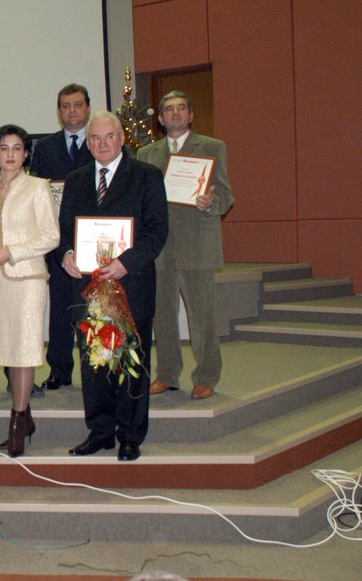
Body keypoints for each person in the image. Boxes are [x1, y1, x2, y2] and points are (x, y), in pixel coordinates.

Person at [60, 111, 168, 462]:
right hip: (87, 287)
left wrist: (127, 262)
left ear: (122, 139)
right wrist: (66, 254)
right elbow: (64, 230)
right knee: (93, 363)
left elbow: (157, 231)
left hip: (131, 284)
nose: (102, 143)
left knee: (131, 363)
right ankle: (100, 432)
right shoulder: (75, 180)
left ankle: (130, 435)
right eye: (95, 138)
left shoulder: (147, 176)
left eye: (109, 137)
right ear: (88, 143)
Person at [0, 125, 60, 458]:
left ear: (26, 153)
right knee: (6, 349)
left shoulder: (38, 187)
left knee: (24, 350)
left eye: (17, 148)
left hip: (28, 280)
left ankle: (17, 425)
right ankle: (26, 418)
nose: (10, 154)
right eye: (4, 148)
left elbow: (51, 236)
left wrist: (13, 252)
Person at [138, 90, 234, 400]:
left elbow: (226, 195)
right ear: (161, 118)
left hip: (197, 244)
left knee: (202, 316)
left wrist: (211, 203)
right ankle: (167, 374)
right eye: (169, 109)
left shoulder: (212, 147)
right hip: (160, 247)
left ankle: (206, 376)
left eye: (182, 108)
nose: (176, 113)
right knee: (163, 315)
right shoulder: (146, 154)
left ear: (191, 115)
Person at [29, 83, 96, 393]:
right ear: (59, 111)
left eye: (78, 104)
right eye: (66, 106)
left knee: (90, 306)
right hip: (56, 240)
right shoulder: (45, 147)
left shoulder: (99, 142)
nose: (72, 111)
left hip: (93, 238)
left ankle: (93, 367)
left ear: (88, 108)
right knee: (58, 308)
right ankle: (59, 370)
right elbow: (34, 190)